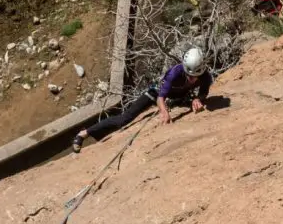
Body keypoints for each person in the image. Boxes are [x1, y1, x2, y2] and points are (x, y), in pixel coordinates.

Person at [72, 47, 213, 153]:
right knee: (124, 119)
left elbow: (203, 91)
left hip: (179, 97)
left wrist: (198, 99)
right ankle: (84, 133)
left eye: (194, 77)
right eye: (188, 75)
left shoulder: (204, 76)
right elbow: (160, 98)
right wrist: (164, 111)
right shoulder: (175, 73)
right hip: (155, 93)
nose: (191, 79)